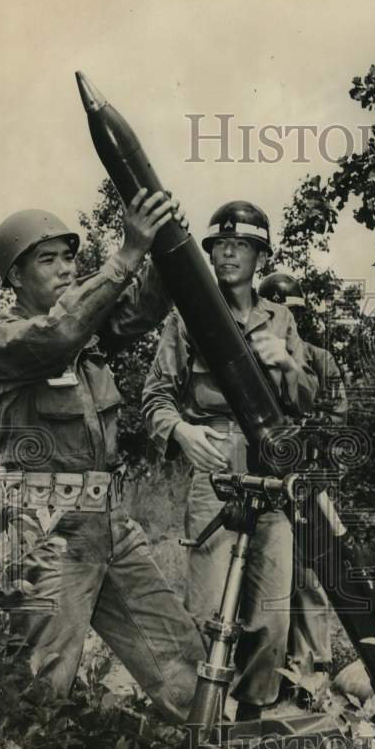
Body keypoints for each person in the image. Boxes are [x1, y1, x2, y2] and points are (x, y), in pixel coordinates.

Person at [0, 192, 207, 725]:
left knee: (182, 660)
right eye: (48, 259)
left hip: (110, 525)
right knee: (40, 688)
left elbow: (140, 309)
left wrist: (167, 247)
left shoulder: (89, 338)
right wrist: (127, 253)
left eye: (69, 257)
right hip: (47, 532)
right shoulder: (6, 341)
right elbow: (59, 332)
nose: (65, 269)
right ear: (15, 277)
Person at [141, 202, 317, 722]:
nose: (229, 252)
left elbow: (307, 398)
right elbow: (155, 396)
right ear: (211, 251)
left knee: (272, 616)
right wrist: (181, 430)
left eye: (242, 244)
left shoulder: (280, 319)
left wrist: (285, 363)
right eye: (221, 244)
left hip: (271, 467)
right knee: (210, 609)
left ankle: (251, 723)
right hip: (216, 468)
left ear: (261, 255)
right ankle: (200, 726)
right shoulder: (187, 317)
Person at [258, 272, 347, 690]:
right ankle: (265, 676)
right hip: (263, 482)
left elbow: (338, 419)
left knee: (311, 578)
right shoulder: (249, 359)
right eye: (277, 311)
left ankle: (312, 674)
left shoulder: (319, 359)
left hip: (308, 480)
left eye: (292, 313)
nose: (285, 320)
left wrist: (305, 437)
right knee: (265, 582)